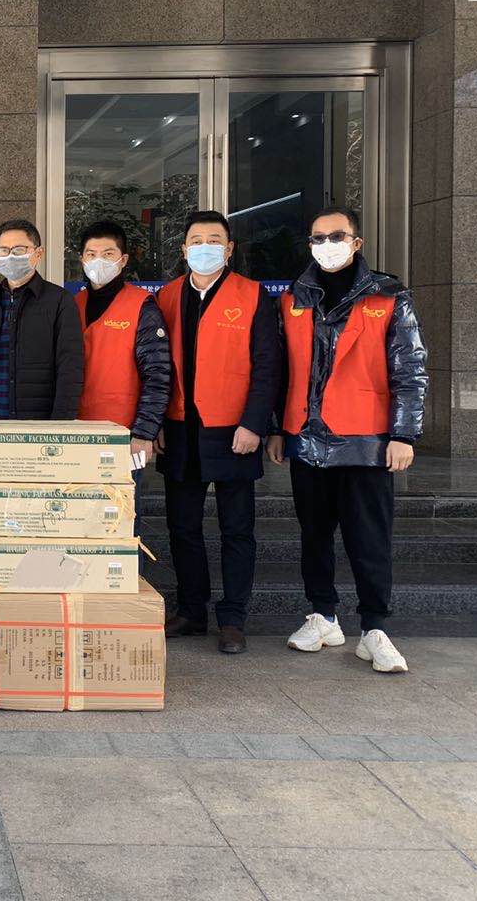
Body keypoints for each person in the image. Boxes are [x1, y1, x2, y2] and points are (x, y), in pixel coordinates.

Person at [268, 207, 426, 674]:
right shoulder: (293, 298)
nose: (326, 245)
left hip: (366, 439)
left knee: (368, 538)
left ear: (356, 242)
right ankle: (323, 615)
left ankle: (374, 628)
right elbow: (280, 370)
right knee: (314, 535)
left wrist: (404, 433)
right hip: (307, 440)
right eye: (317, 238)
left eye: (336, 236)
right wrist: (277, 427)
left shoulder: (388, 296)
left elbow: (410, 369)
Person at [156, 211, 282, 655]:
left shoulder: (252, 295)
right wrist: (156, 422)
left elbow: (268, 366)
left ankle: (233, 618)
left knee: (236, 528)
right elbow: (157, 366)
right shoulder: (168, 296)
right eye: (196, 240)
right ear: (183, 249)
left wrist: (254, 423)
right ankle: (191, 610)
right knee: (183, 526)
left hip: (234, 429)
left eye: (214, 240)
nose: (204, 247)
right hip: (180, 427)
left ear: (229, 249)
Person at [75, 220, 171, 534]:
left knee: (122, 522)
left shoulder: (141, 306)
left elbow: (158, 374)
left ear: (123, 259)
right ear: (82, 259)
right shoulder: (73, 304)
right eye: (91, 254)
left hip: (125, 437)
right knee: (79, 521)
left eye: (108, 253)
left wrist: (144, 433)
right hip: (75, 431)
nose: (98, 261)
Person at [0, 219, 83, 420]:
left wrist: (60, 424)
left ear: (38, 253)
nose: (10, 256)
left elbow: (70, 368)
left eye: (19, 250)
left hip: (38, 424)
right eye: (4, 251)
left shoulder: (59, 301)